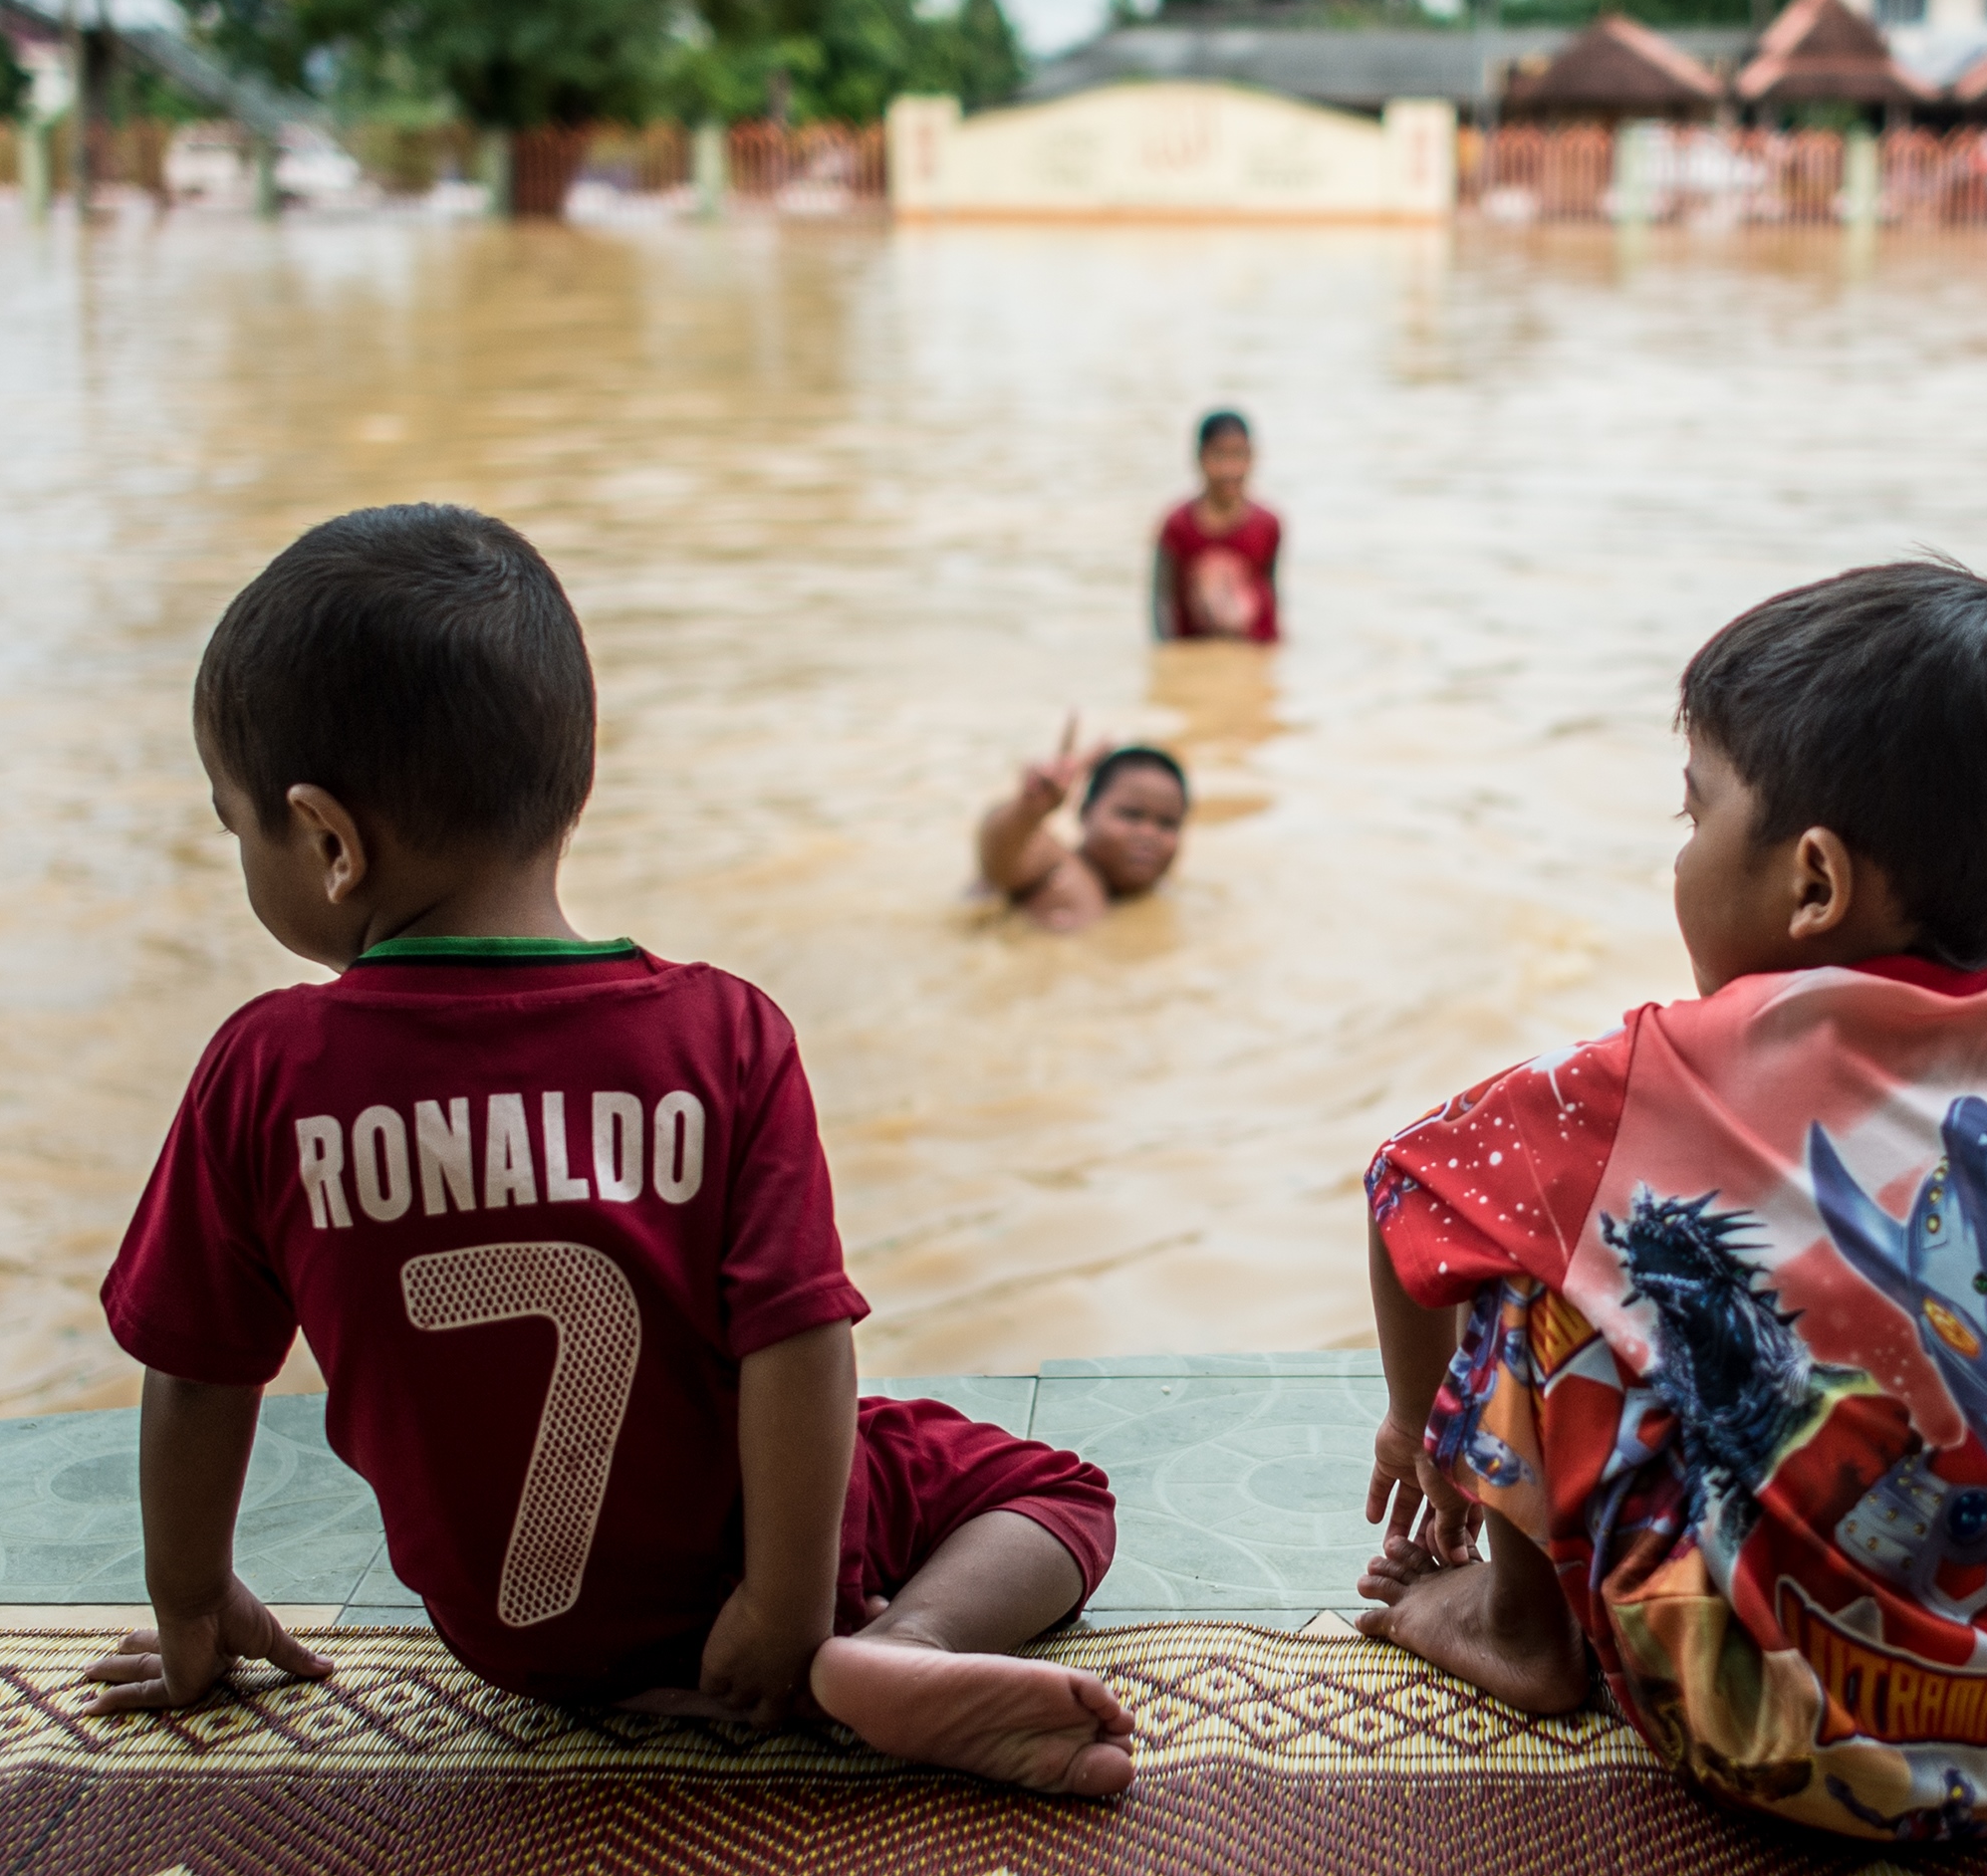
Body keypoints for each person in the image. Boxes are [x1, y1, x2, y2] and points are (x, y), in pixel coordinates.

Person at [85, 504, 1135, 1797]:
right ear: (569, 782)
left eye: (234, 827)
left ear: (330, 842)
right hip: (737, 1602)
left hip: (510, 1644)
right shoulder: (723, 1037)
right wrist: (785, 1606)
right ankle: (899, 1649)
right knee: (1056, 1488)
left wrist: (191, 1607)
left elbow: (194, 1373)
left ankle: (849, 1648)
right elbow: (798, 1342)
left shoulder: (265, 1075)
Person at [1351, 561, 1987, 1840]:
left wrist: (1408, 1428)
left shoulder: (1651, 1075)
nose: (1678, 852)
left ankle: (1517, 1632)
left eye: (1692, 814)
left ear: (1809, 882)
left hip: (1753, 1739)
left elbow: (1405, 1186)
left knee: (1530, 1239)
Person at [975, 717, 1188, 932]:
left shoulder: (1162, 896)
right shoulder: (1055, 868)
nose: (1148, 833)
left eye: (1167, 824)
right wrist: (1027, 811)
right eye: (1131, 815)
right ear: (1085, 812)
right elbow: (999, 861)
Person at [1151, 409, 1281, 642]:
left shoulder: (1268, 524)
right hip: (1194, 654)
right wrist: (1168, 656)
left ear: (1251, 458)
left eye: (1238, 455)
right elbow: (1161, 601)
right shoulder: (1177, 526)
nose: (1228, 469)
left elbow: (1271, 593)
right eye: (1218, 455)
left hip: (1251, 654)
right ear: (1200, 457)